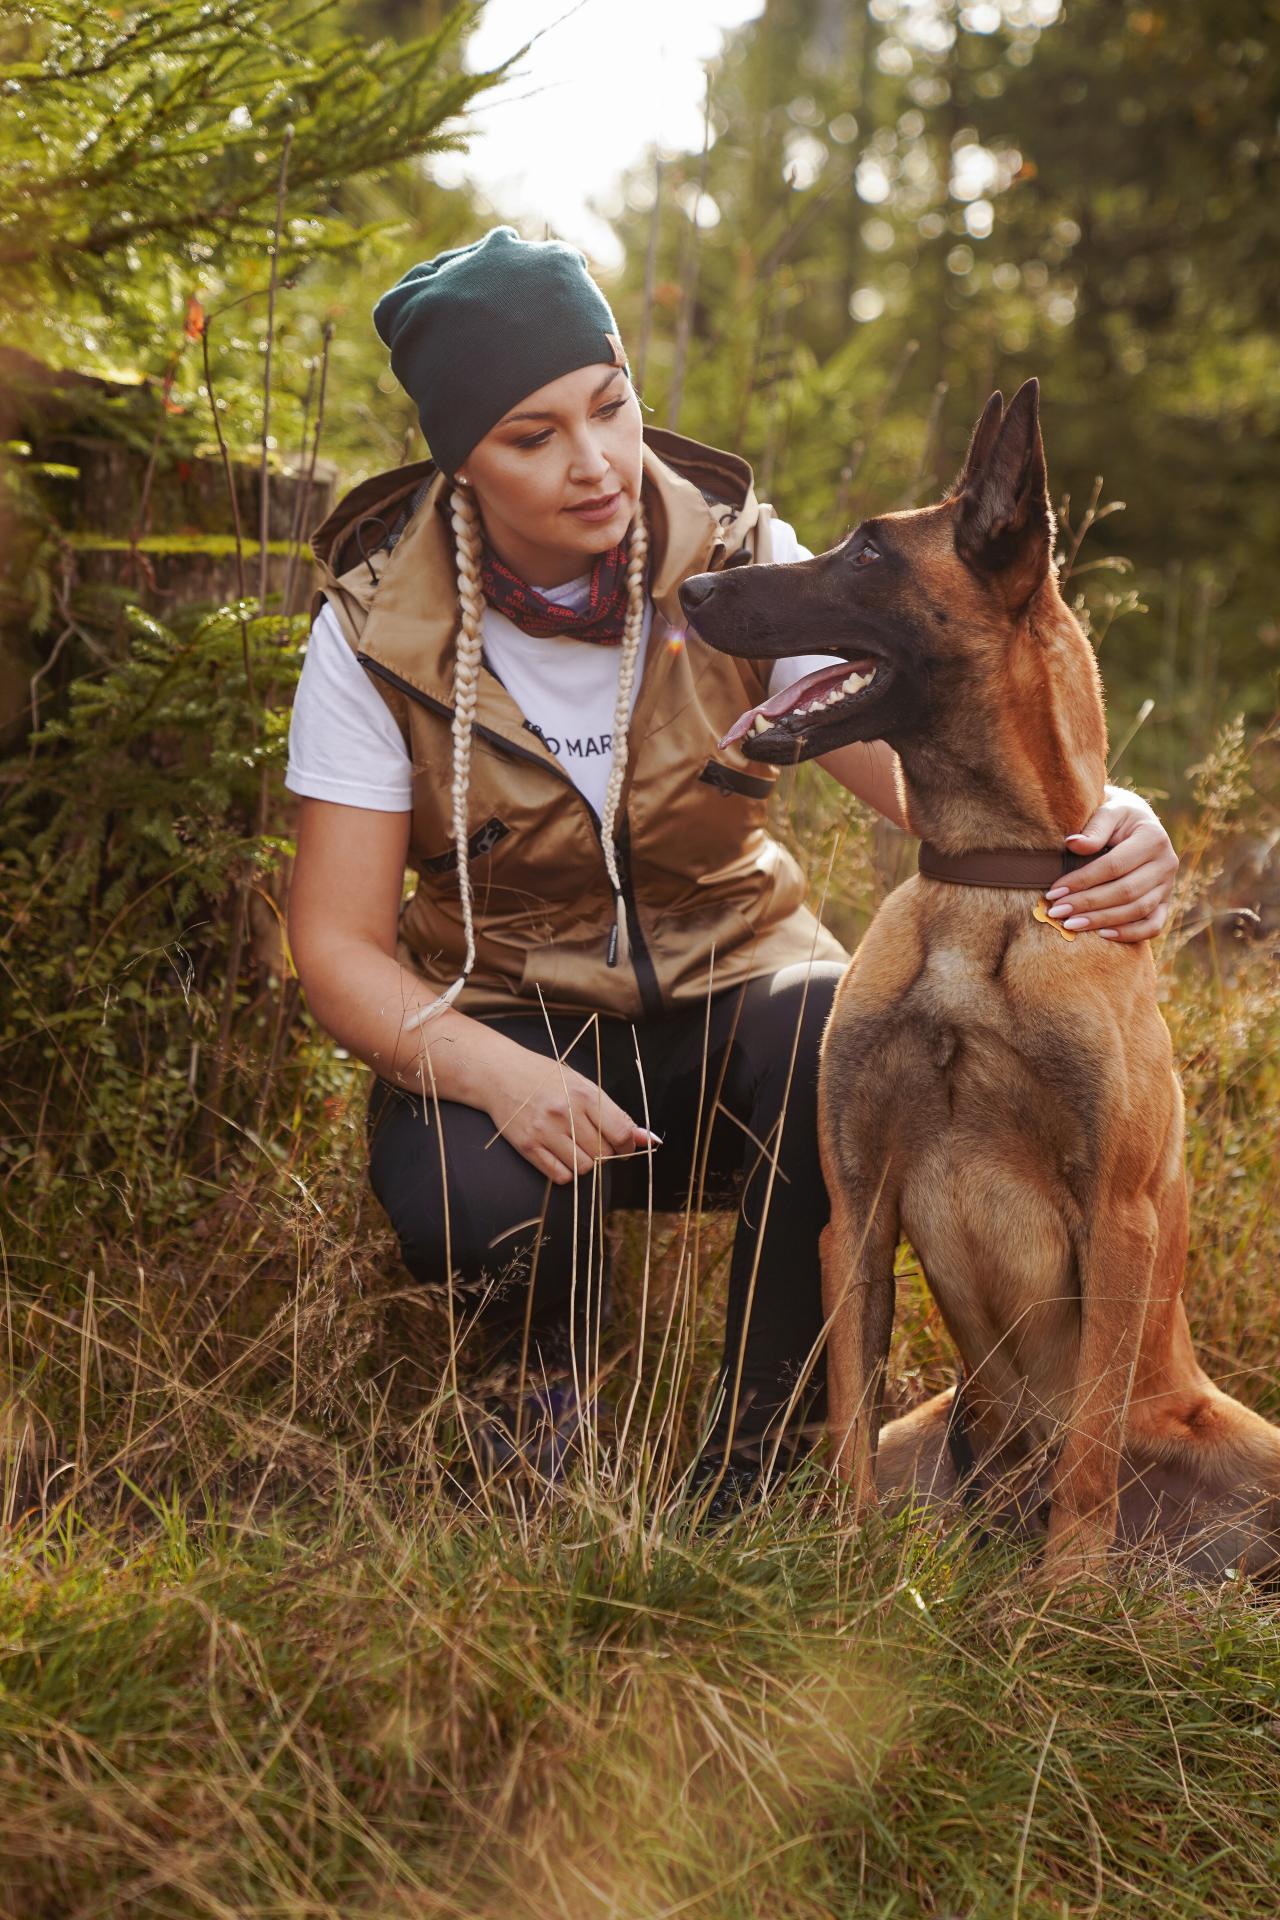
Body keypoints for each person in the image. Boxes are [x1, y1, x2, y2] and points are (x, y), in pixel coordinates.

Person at [285, 225, 1178, 1509]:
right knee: (460, 1183)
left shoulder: (742, 563)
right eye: (531, 438)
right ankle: (547, 1440)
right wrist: (505, 1078)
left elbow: (956, 781)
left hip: (735, 1007)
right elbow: (336, 948)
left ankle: (751, 1474)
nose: (595, 463)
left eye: (609, 406)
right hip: (503, 1022)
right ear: (458, 463)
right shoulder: (378, 636)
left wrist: (1119, 819)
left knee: (835, 1023)